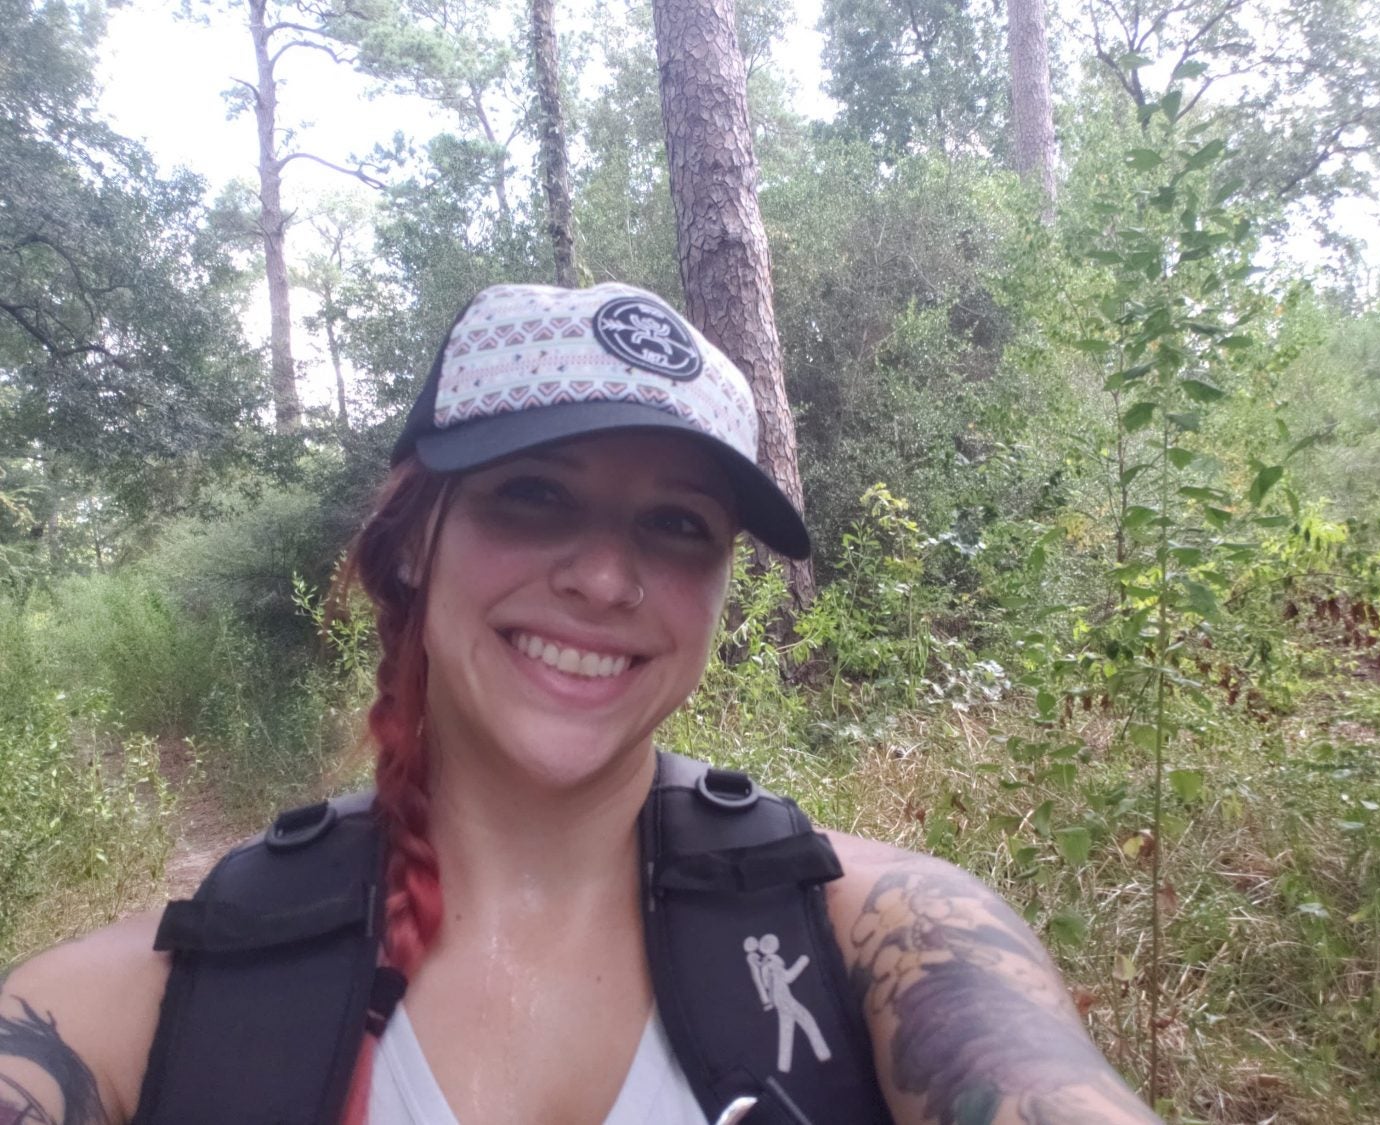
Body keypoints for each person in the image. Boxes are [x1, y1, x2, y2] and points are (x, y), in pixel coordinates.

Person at [0, 282, 1164, 1125]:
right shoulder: (147, 1010)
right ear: (412, 545)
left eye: (677, 526)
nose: (605, 579)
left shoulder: (884, 937)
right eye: (534, 495)